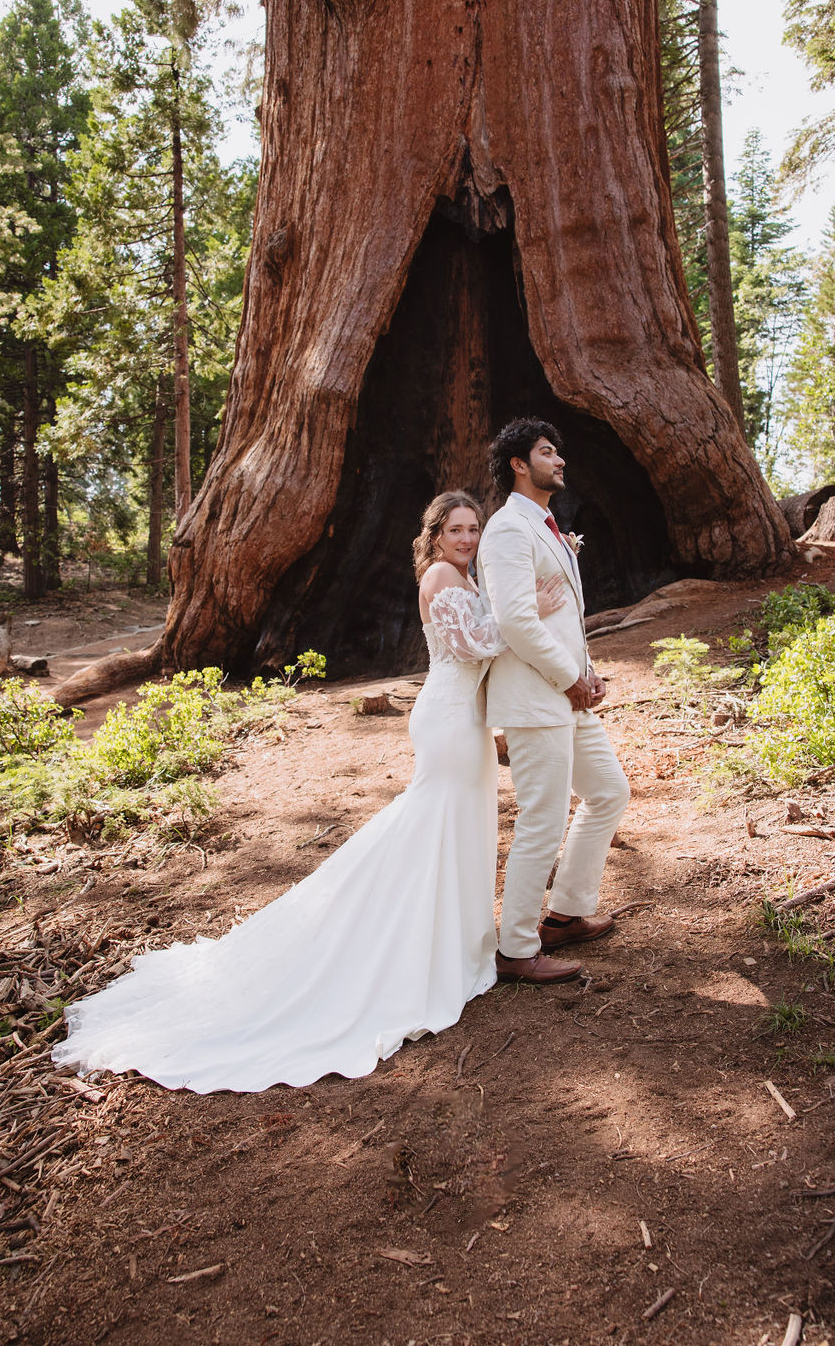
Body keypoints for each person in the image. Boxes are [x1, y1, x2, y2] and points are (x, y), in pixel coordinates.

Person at [52, 491, 562, 1093]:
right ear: (434, 535)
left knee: (456, 827)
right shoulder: (442, 575)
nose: (468, 538)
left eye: (474, 529)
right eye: (456, 529)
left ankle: (453, 944)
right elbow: (473, 647)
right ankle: (410, 945)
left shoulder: (462, 574)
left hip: (467, 724)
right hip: (449, 721)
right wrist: (527, 609)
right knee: (433, 823)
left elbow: (483, 640)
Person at [477, 418, 631, 985]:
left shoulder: (548, 526)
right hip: (535, 697)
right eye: (548, 451)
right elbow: (516, 619)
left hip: (568, 693)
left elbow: (562, 619)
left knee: (609, 791)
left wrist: (587, 675)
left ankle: (565, 913)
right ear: (520, 464)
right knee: (542, 819)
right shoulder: (508, 530)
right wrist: (570, 679)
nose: (559, 459)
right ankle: (516, 948)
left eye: (558, 451)